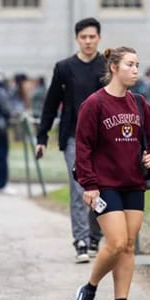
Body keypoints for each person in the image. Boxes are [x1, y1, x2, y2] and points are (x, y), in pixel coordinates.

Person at [70, 46, 150, 300]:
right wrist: (89, 184)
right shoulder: (94, 104)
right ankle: (89, 289)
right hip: (104, 184)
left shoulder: (139, 104)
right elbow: (83, 148)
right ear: (114, 68)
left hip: (133, 182)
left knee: (129, 245)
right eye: (130, 65)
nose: (136, 70)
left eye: (137, 65)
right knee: (117, 242)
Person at [35, 17, 106, 263]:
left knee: (102, 188)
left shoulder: (107, 66)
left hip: (103, 138)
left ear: (99, 38)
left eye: (92, 37)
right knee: (79, 189)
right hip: (74, 137)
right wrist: (42, 137)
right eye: (83, 37)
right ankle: (81, 241)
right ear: (77, 39)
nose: (88, 41)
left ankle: (96, 235)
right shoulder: (65, 68)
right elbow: (51, 103)